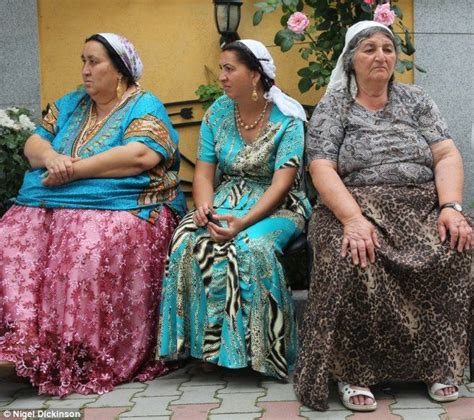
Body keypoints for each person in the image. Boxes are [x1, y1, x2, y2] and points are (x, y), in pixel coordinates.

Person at [294, 21, 473, 412]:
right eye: (369, 49)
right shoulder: (334, 107)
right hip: (352, 205)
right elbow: (321, 166)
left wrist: (451, 207)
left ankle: (439, 364)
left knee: (456, 246)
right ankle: (353, 372)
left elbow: (445, 154)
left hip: (420, 203)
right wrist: (353, 219)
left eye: (388, 49)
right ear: (351, 60)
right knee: (353, 257)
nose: (381, 56)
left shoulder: (416, 100)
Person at [0, 33, 186, 396]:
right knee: (9, 239)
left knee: (84, 248)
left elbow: (141, 157)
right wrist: (51, 158)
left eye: (94, 62)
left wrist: (73, 169)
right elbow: (34, 142)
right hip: (53, 200)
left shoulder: (143, 105)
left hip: (131, 206)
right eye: (83, 60)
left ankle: (76, 353)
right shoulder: (72, 103)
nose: (85, 70)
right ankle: (22, 343)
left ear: (120, 70)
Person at [158, 39, 311, 380]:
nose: (222, 77)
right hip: (226, 199)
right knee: (186, 240)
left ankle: (263, 353)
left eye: (230, 69)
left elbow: (282, 183)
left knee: (248, 247)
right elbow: (203, 171)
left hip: (277, 206)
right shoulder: (217, 112)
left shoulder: (288, 118)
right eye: (222, 69)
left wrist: (242, 222)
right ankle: (206, 350)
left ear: (255, 75)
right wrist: (203, 207)